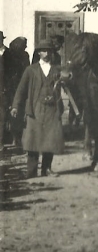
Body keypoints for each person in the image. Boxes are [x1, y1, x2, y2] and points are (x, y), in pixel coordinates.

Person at [11, 45, 63, 178]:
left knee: (49, 139)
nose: (46, 53)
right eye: (43, 50)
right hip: (35, 108)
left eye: (48, 50)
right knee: (33, 140)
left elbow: (68, 81)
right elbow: (21, 89)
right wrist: (16, 106)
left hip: (52, 108)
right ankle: (31, 171)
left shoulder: (57, 69)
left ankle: (47, 169)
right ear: (39, 52)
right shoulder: (31, 70)